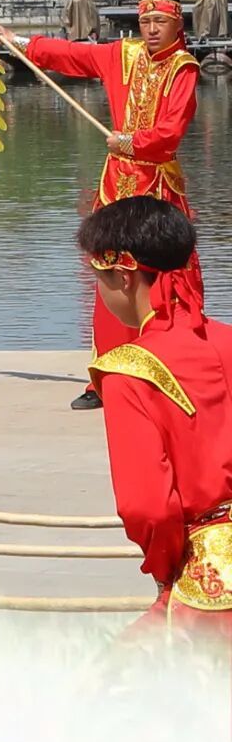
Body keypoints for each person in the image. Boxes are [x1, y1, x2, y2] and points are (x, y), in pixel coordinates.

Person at [0, 0, 200, 411]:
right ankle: (106, 375)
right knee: (109, 274)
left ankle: (168, 367)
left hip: (156, 186)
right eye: (145, 22)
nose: (151, 30)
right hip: (116, 183)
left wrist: (131, 142)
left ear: (177, 23)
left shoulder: (183, 69)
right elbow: (72, 56)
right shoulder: (123, 55)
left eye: (160, 22)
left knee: (161, 280)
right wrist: (15, 39)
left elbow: (171, 131)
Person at [79, 197, 232, 637]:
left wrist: (166, 571)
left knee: (114, 678)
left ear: (124, 276)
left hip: (209, 583)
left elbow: (147, 507)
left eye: (99, 280)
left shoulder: (129, 371)